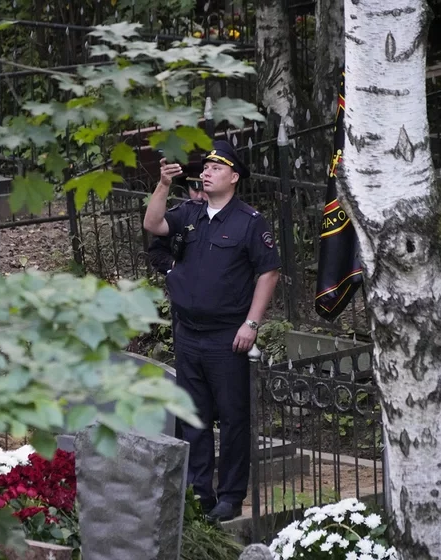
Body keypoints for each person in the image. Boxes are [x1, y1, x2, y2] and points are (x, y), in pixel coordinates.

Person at [142, 140, 281, 522]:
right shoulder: (189, 212)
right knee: (193, 416)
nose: (206, 172)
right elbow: (153, 225)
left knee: (234, 418)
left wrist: (251, 324)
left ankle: (231, 496)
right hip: (189, 333)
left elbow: (268, 272)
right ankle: (199, 492)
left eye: (216, 168)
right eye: (204, 167)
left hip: (228, 335)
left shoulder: (249, 222)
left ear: (234, 177)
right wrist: (162, 186)